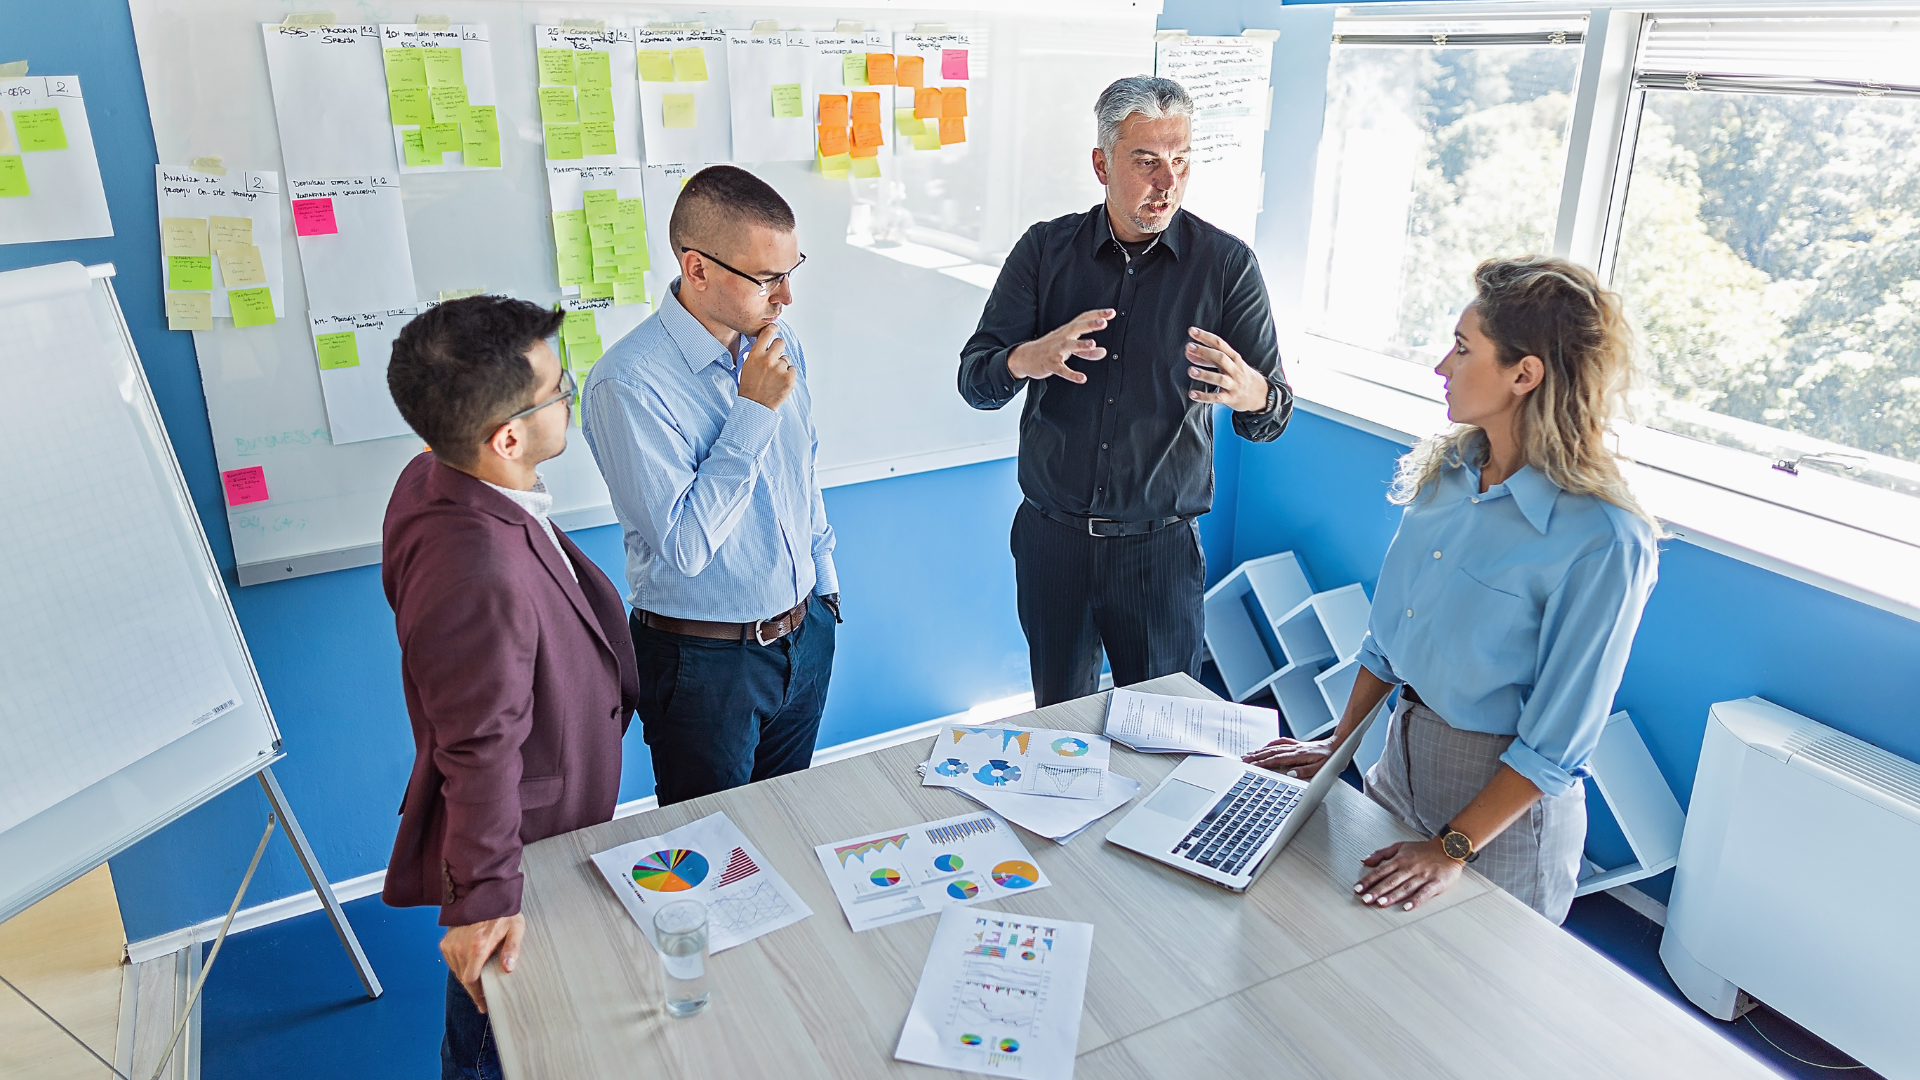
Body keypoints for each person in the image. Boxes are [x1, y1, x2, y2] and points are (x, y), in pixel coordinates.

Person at [1244, 257, 1659, 925]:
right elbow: (1388, 642)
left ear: (1525, 375)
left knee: (1467, 1016)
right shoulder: (1447, 472)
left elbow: (1557, 743)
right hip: (1396, 761)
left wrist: (1452, 847)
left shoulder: (1604, 538)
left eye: (1464, 349)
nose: (1443, 365)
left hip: (1502, 820)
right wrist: (1336, 743)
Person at [958, 76, 1292, 707]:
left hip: (1159, 553)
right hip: (1053, 542)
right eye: (1146, 162)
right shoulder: (1044, 251)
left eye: (1181, 161)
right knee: (1060, 731)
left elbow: (1270, 416)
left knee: (1165, 733)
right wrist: (1029, 357)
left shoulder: (1227, 266)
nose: (1167, 182)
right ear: (1101, 163)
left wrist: (1251, 391)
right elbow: (977, 381)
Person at [381, 296, 640, 1080]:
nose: (571, 397)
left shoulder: (436, 475)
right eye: (560, 391)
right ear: (507, 437)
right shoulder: (476, 572)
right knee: (502, 1033)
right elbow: (480, 746)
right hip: (521, 845)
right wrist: (486, 901)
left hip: (543, 817)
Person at [581, 165, 839, 807]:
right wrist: (750, 412)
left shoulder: (779, 343)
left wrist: (825, 593)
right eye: (766, 278)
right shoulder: (628, 385)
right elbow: (688, 547)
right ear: (695, 268)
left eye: (791, 270)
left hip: (803, 637)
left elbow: (800, 477)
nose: (785, 297)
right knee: (713, 859)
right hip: (705, 665)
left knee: (786, 831)